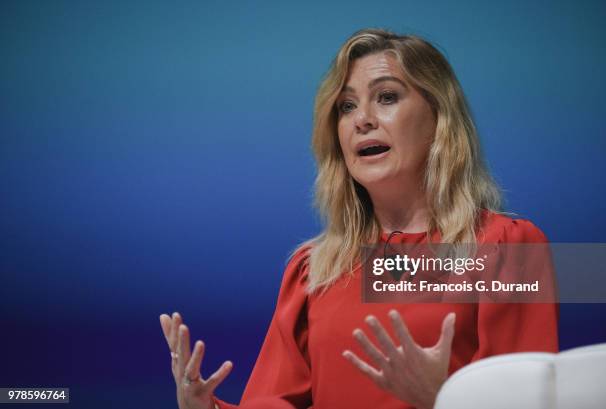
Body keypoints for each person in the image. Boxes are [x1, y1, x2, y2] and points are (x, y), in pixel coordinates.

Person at [159, 28, 558, 409]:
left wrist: (445, 399)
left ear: (439, 119)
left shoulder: (508, 249)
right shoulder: (313, 272)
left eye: (386, 97)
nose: (361, 119)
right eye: (347, 106)